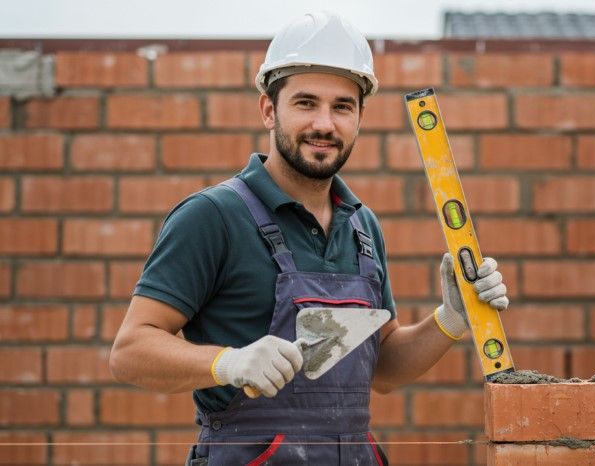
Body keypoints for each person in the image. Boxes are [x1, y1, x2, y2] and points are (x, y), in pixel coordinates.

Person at [109, 11, 509, 466]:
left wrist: (452, 319)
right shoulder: (213, 217)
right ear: (268, 109)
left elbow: (384, 368)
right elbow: (130, 350)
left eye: (342, 106)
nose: (325, 123)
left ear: (360, 117)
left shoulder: (362, 226)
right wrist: (227, 363)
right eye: (305, 103)